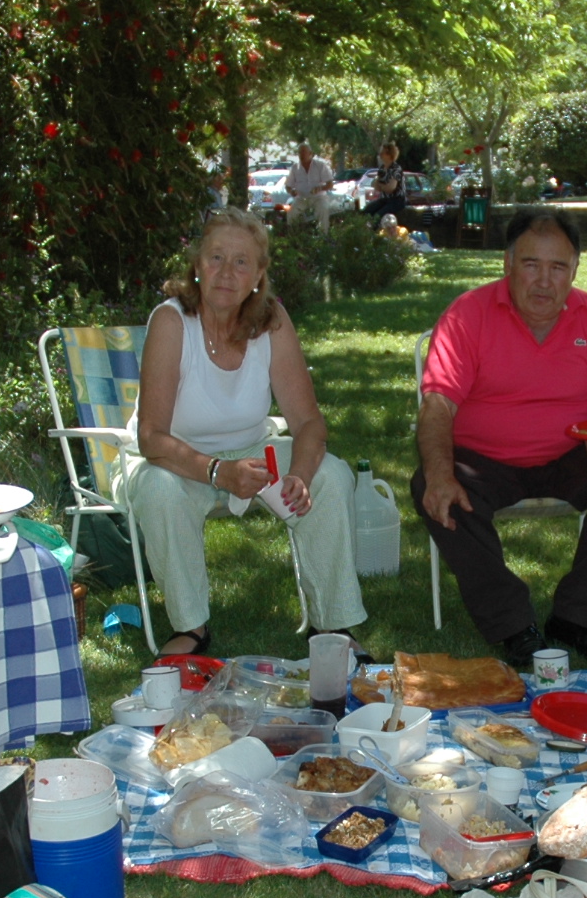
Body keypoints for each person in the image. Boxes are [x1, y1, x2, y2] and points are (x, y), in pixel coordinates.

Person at [415, 206, 587, 666]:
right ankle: (514, 627)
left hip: (572, 453)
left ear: (574, 271)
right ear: (507, 265)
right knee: (434, 483)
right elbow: (437, 405)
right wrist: (439, 472)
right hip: (484, 461)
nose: (544, 281)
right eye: (531, 265)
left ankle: (579, 620)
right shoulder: (468, 316)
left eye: (558, 267)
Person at [125, 210, 367, 657]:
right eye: (216, 256)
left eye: (241, 262)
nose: (226, 271)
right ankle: (192, 628)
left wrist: (301, 474)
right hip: (176, 460)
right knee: (158, 490)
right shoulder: (172, 321)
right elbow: (151, 437)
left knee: (330, 476)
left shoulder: (271, 320)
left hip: (254, 450)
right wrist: (219, 472)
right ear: (197, 264)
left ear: (258, 275)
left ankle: (333, 628)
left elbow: (309, 422)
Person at [284, 142, 336, 231]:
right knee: (291, 213)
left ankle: (324, 236)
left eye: (304, 152)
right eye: (300, 152)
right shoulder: (295, 168)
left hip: (319, 197)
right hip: (301, 198)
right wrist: (292, 191)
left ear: (310, 154)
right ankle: (293, 236)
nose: (301, 155)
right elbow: (288, 186)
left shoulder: (320, 166)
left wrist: (320, 188)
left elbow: (330, 184)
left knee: (323, 210)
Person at [365, 142, 408, 220]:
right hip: (384, 199)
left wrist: (380, 185)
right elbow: (376, 186)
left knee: (378, 216)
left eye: (382, 153)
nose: (380, 155)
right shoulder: (382, 168)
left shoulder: (396, 168)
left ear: (389, 155)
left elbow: (390, 189)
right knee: (366, 211)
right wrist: (381, 186)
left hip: (397, 201)